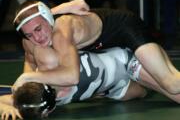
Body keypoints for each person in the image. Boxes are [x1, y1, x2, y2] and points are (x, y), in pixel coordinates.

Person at [12, 0, 180, 95]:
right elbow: (29, 57)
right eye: (29, 35)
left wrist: (28, 78)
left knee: (171, 84)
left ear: (48, 18)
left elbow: (72, 77)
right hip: (106, 46)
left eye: (38, 30)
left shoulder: (61, 31)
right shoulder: (38, 31)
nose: (37, 39)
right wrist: (27, 79)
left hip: (125, 29)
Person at [1, 46, 180, 120]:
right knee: (143, 93)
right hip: (114, 89)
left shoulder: (50, 62)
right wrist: (10, 107)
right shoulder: (37, 96)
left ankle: (154, 66)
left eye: (45, 114)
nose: (47, 116)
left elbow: (32, 47)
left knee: (173, 90)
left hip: (126, 61)